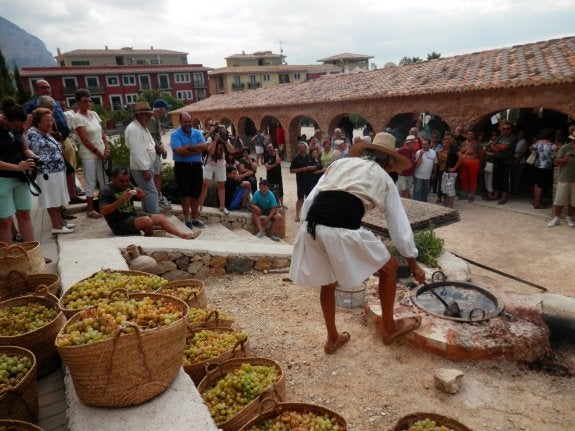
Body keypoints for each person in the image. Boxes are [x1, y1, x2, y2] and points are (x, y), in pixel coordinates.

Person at [289, 132, 425, 354]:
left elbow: (312, 198)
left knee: (328, 279)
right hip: (339, 227)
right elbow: (398, 226)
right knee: (390, 268)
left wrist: (313, 230)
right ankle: (389, 327)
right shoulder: (384, 179)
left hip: (311, 224)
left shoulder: (340, 164)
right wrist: (413, 263)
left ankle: (332, 338)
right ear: (388, 162)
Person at [99, 166, 200, 239]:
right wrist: (120, 200)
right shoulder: (106, 191)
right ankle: (149, 234)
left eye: (126, 180)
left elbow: (144, 199)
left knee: (160, 217)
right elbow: (103, 211)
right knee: (147, 221)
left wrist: (141, 195)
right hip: (119, 222)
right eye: (121, 181)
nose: (125, 184)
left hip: (132, 215)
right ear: (113, 178)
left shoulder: (128, 185)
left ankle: (183, 235)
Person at [25, 108, 74, 235]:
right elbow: (33, 152)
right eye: (46, 120)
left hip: (56, 171)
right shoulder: (32, 134)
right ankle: (56, 226)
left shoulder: (46, 133)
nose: (50, 123)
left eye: (51, 120)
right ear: (38, 122)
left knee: (57, 198)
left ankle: (61, 222)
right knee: (52, 200)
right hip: (47, 172)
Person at [0, 98, 36, 244]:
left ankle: (33, 253)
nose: (17, 129)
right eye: (14, 126)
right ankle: (9, 259)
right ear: (4, 119)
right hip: (3, 179)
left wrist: (35, 158)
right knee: (4, 220)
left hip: (21, 178)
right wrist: (18, 167)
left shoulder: (18, 126)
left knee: (25, 214)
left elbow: (25, 149)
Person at [73, 88, 109, 219]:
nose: (87, 103)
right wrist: (99, 153)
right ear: (77, 102)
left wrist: (107, 148)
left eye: (89, 100)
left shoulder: (93, 113)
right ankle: (90, 209)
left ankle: (105, 205)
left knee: (104, 180)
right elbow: (84, 139)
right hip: (89, 154)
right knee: (91, 182)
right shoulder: (77, 118)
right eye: (84, 101)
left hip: (101, 151)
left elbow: (102, 133)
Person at [170, 112, 208, 230]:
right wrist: (196, 148)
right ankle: (187, 219)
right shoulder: (175, 134)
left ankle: (195, 218)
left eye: (189, 122)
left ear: (192, 121)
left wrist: (187, 147)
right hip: (182, 167)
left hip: (196, 166)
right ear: (181, 122)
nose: (187, 124)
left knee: (195, 194)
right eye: (185, 122)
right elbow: (179, 151)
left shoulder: (197, 132)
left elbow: (205, 147)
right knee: (185, 194)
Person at [125, 101, 159, 214]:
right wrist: (145, 169)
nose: (149, 117)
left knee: (146, 192)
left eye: (150, 115)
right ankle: (154, 218)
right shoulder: (134, 129)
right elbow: (137, 151)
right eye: (147, 115)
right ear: (139, 115)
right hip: (142, 167)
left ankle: (148, 216)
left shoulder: (141, 127)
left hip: (146, 165)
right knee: (151, 192)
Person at [198, 124, 233, 215]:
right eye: (221, 131)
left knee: (221, 186)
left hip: (221, 166)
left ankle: (222, 207)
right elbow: (211, 151)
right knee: (205, 184)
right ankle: (200, 205)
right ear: (217, 132)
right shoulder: (211, 138)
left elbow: (232, 151)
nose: (223, 132)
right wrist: (215, 140)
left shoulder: (226, 140)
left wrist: (225, 141)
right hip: (210, 165)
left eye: (224, 131)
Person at [547, 133, 575, 227]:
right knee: (559, 199)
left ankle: (569, 217)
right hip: (565, 177)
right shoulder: (565, 148)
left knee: (573, 200)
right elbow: (557, 162)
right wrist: (565, 159)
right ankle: (556, 218)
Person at [148, 99, 171, 210]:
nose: (167, 111)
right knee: (157, 175)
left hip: (156, 152)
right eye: (166, 109)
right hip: (152, 153)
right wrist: (161, 150)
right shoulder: (152, 119)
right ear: (161, 109)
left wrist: (163, 148)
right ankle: (157, 198)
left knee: (159, 173)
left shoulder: (155, 119)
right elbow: (152, 137)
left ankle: (158, 195)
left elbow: (157, 138)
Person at [485, 121, 516, 205]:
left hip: (507, 161)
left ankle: (504, 197)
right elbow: (493, 148)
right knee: (497, 178)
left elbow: (497, 149)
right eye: (504, 128)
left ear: (511, 129)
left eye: (508, 128)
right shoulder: (500, 136)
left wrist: (495, 145)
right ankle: (496, 195)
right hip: (497, 160)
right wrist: (496, 146)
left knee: (505, 180)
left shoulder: (513, 138)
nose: (505, 130)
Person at [530, 128, 556, 209]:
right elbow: (554, 157)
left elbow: (531, 148)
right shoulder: (553, 146)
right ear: (552, 136)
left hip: (537, 165)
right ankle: (538, 204)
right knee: (541, 185)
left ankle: (535, 201)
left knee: (536, 184)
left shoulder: (538, 143)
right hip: (546, 167)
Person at [290, 142, 316, 222]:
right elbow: (291, 170)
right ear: (298, 149)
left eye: (303, 148)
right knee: (300, 199)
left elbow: (315, 166)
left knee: (309, 198)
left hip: (310, 181)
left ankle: (309, 214)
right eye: (300, 148)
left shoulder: (309, 156)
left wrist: (311, 168)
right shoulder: (295, 159)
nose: (301, 149)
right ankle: (297, 215)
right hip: (301, 182)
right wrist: (302, 169)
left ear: (305, 148)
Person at [458, 130, 483, 202]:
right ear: (466, 135)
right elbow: (459, 152)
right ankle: (465, 193)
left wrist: (481, 164)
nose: (470, 135)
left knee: (473, 179)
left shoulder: (477, 144)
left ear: (474, 136)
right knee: (464, 178)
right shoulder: (462, 143)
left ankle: (472, 194)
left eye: (471, 134)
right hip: (463, 162)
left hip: (474, 162)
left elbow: (481, 155)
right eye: (469, 134)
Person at [413, 138, 438, 202]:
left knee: (426, 191)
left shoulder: (433, 152)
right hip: (418, 175)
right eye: (423, 144)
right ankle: (416, 203)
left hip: (427, 176)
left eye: (425, 144)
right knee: (417, 191)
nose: (423, 146)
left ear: (429, 145)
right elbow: (417, 165)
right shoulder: (418, 152)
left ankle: (423, 203)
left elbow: (435, 163)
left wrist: (434, 172)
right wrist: (421, 156)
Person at [263, 142, 284, 208]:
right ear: (267, 149)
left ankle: (281, 205)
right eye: (269, 148)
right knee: (272, 191)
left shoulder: (277, 154)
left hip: (278, 176)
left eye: (271, 147)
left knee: (280, 190)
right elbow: (267, 167)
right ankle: (274, 205)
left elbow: (278, 162)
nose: (271, 149)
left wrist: (277, 153)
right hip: (270, 177)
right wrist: (275, 165)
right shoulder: (266, 157)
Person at [442, 132, 460, 208]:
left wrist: (455, 168)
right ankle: (448, 203)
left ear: (452, 139)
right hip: (447, 171)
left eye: (448, 139)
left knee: (450, 188)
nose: (447, 140)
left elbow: (461, 157)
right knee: (446, 188)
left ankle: (451, 205)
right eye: (446, 138)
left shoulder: (454, 147)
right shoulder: (449, 147)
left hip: (452, 172)